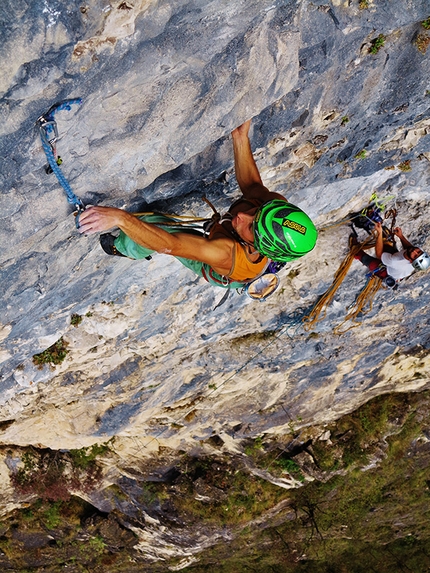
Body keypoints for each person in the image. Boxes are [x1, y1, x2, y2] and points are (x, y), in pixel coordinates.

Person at [78, 120, 318, 289]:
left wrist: (120, 218)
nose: (243, 216)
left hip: (219, 266)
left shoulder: (224, 253)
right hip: (243, 253)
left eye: (251, 228)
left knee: (155, 224)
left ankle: (123, 248)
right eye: (256, 213)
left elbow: (171, 245)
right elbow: (253, 188)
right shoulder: (274, 209)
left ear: (256, 245)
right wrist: (240, 138)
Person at [351, 222, 430, 283]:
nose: (415, 251)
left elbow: (379, 254)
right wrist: (401, 236)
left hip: (386, 272)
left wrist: (379, 233)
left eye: (415, 255)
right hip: (397, 269)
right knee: (387, 241)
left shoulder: (395, 261)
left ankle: (355, 250)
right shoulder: (414, 253)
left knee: (365, 259)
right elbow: (409, 248)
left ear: (410, 261)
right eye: (419, 252)